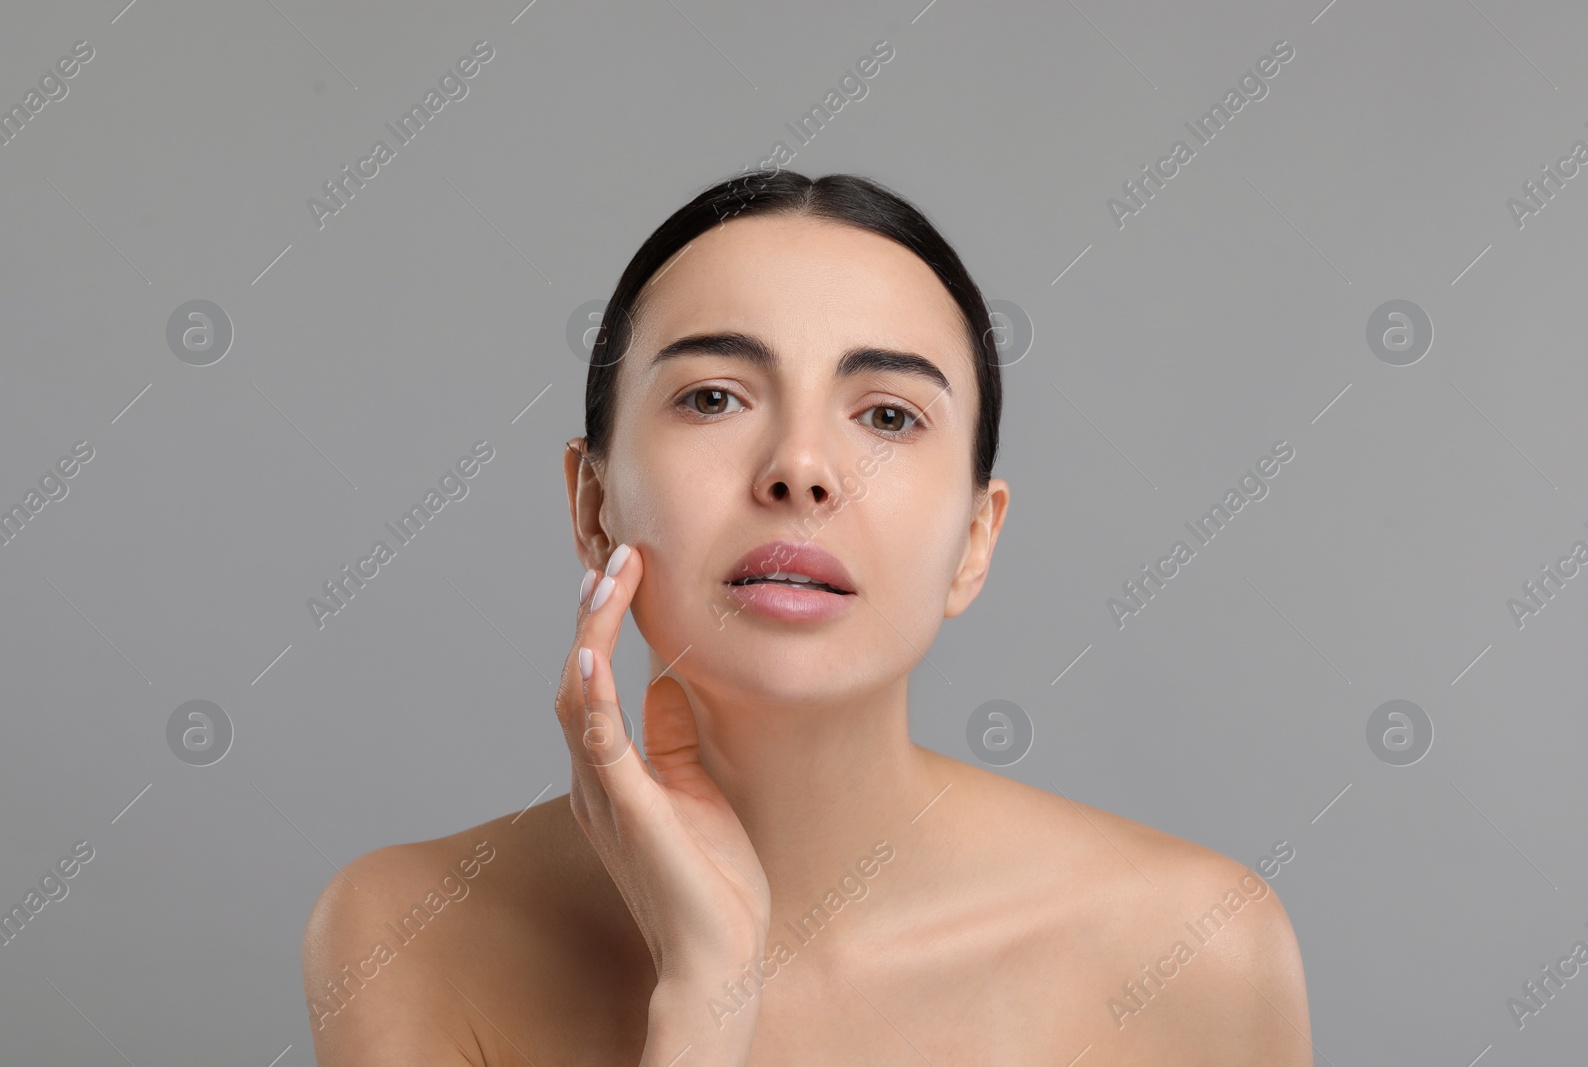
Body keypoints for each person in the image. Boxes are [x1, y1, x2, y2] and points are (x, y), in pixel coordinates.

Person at [301, 170, 1312, 1065]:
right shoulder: (410, 929)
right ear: (590, 502)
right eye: (712, 397)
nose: (800, 467)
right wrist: (705, 997)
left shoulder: (1191, 945)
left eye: (886, 415)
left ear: (973, 540)